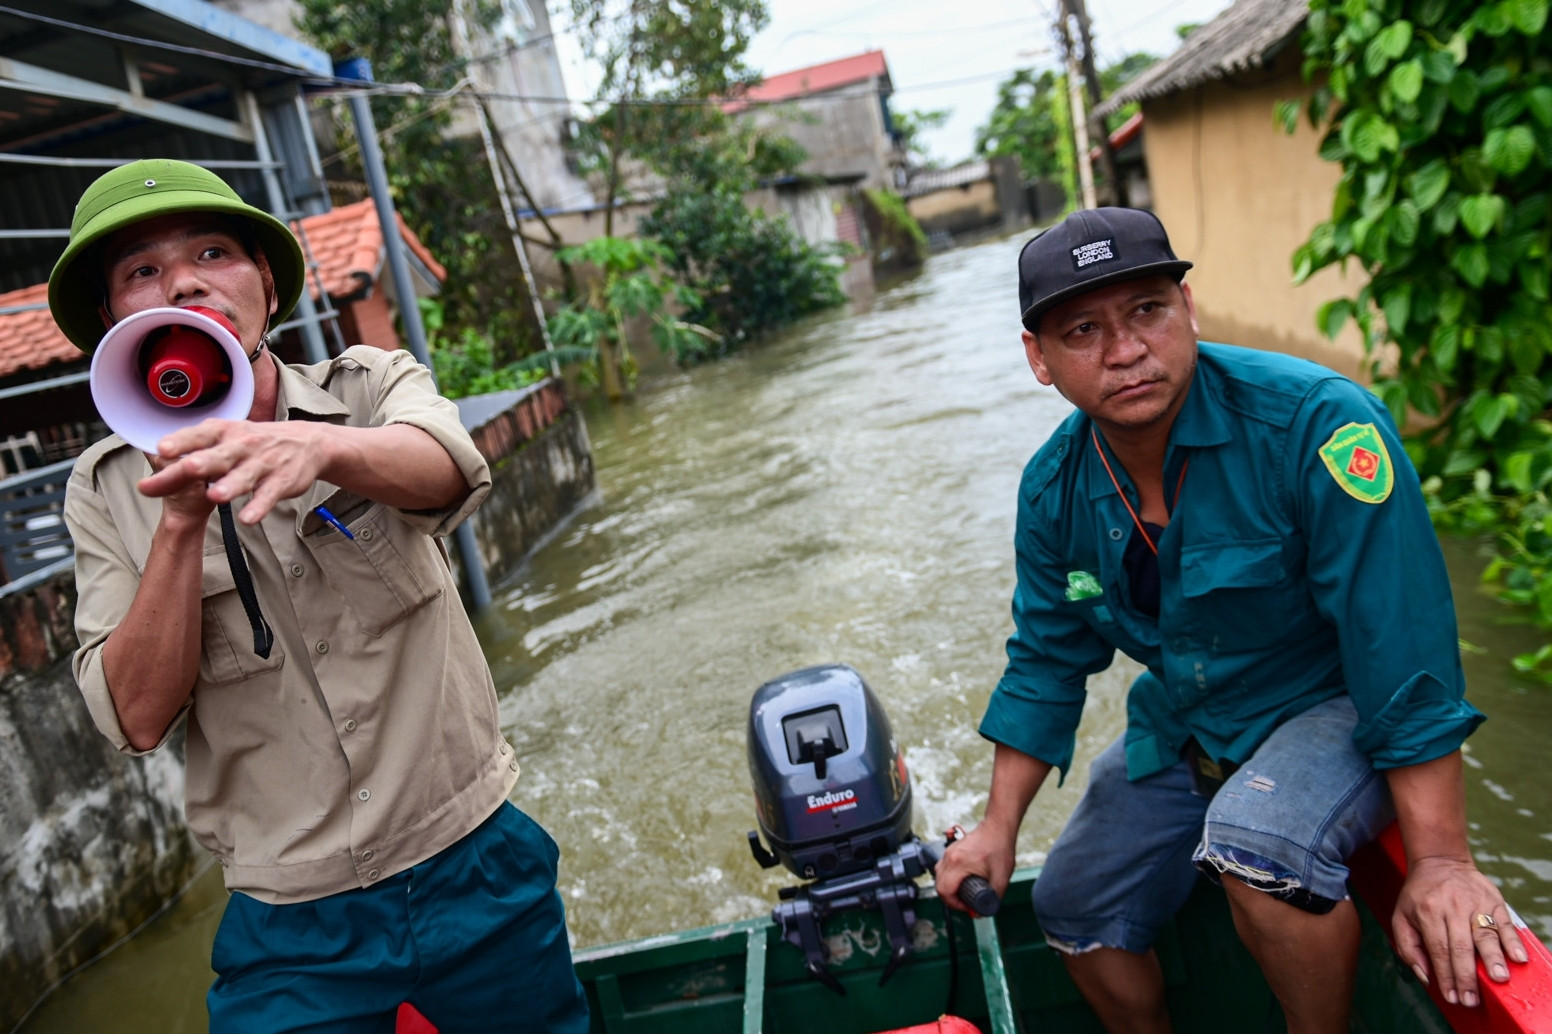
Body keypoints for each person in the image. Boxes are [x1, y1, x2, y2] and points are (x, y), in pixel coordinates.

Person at [933, 207, 1528, 1034]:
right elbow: (1046, 661)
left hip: (1334, 701)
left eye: (1147, 310)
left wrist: (1440, 860)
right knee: (1072, 907)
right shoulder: (1053, 490)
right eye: (1083, 330)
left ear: (1188, 310)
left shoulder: (1319, 427)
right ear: (1039, 359)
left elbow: (1401, 647)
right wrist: (998, 829)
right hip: (1192, 717)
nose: (1126, 350)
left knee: (1257, 845)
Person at [53, 159, 589, 1033]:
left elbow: (450, 469)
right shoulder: (104, 490)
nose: (184, 281)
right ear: (114, 318)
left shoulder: (369, 387)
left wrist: (318, 449)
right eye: (141, 271)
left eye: (214, 251)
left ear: (264, 280)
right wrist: (182, 523)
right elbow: (138, 717)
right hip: (291, 923)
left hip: (474, 861)